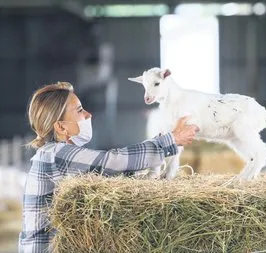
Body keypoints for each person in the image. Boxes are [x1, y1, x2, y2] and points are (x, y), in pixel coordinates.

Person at [18, 82, 200, 252]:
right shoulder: (55, 155)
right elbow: (112, 162)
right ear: (61, 127)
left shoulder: (54, 155)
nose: (88, 115)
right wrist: (169, 140)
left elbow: (108, 178)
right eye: (80, 110)